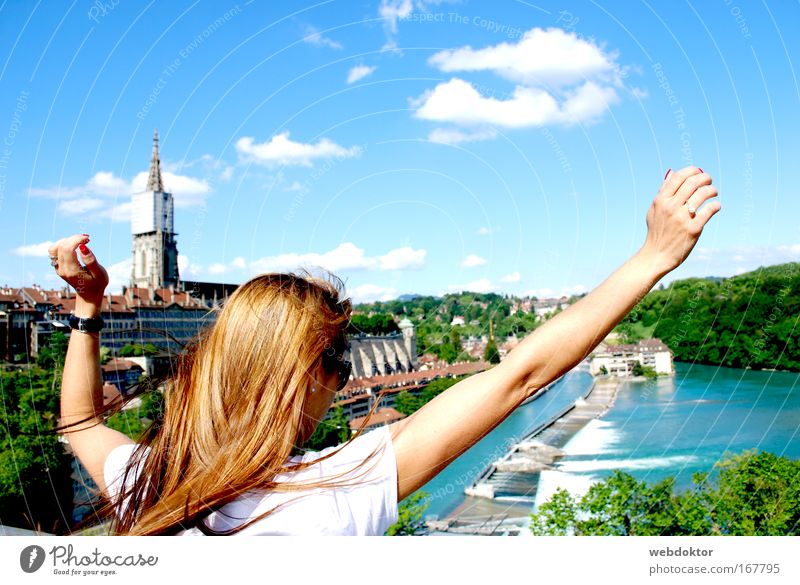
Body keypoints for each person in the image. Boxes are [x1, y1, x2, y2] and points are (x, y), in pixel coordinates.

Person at [51, 166, 720, 535]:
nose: (342, 382)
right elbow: (519, 377)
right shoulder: (329, 496)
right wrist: (653, 258)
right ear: (294, 377)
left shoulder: (152, 481)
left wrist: (88, 309)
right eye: (335, 363)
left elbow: (79, 422)